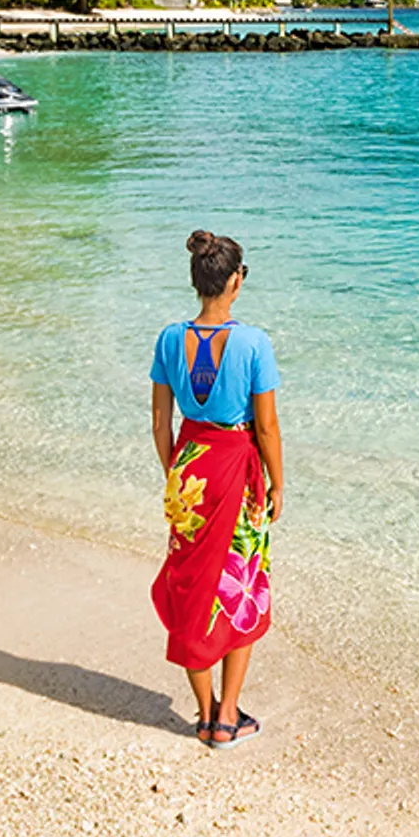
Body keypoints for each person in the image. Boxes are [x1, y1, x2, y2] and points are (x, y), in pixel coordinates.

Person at [148, 229, 282, 748]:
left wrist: (177, 473)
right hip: (237, 468)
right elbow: (267, 428)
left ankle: (203, 716)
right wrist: (277, 485)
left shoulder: (166, 339)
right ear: (235, 281)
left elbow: (161, 423)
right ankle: (228, 717)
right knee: (239, 585)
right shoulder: (253, 343)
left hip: (190, 469)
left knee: (192, 590)